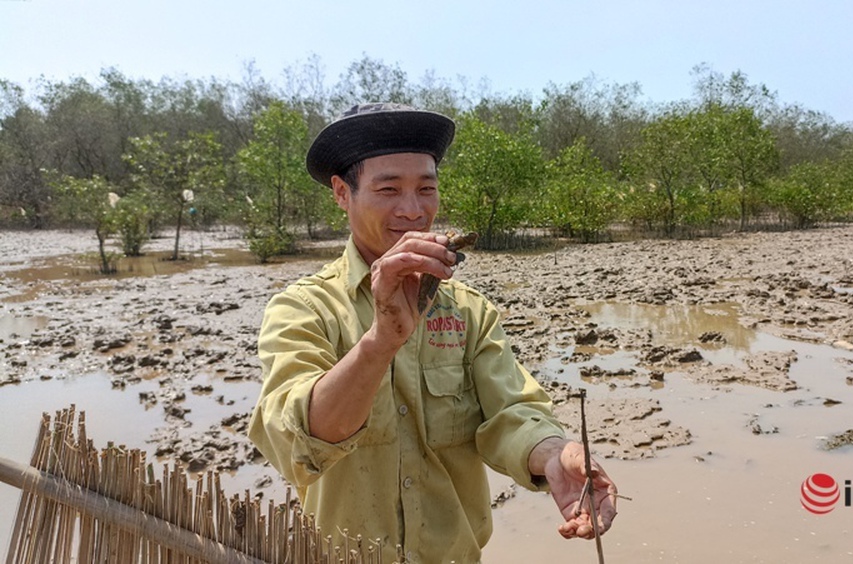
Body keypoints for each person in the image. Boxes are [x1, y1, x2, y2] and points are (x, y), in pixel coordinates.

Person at [248, 103, 617, 563]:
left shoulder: (468, 311)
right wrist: (381, 340)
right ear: (343, 193)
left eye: (426, 188)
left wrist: (555, 455)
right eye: (388, 189)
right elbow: (299, 443)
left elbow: (511, 413)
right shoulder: (303, 309)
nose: (413, 210)